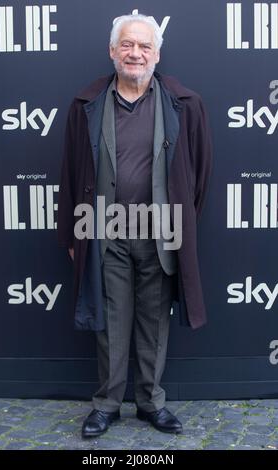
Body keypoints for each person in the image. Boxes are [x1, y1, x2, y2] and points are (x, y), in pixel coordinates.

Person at [57, 13, 212, 438]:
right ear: (112, 51)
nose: (135, 53)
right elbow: (70, 172)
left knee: (153, 322)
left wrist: (180, 226)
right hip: (104, 231)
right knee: (110, 321)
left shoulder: (185, 104)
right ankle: (107, 404)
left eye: (144, 46)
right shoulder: (86, 104)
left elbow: (198, 174)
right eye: (127, 44)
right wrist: (73, 233)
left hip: (160, 234)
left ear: (157, 54)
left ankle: (150, 402)